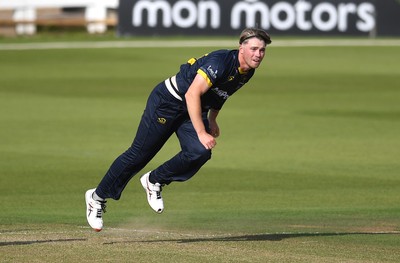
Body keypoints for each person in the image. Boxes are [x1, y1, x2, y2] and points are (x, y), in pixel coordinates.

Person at [85, 27, 272, 232]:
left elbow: (221, 94)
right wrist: (201, 132)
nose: (258, 54)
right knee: (139, 155)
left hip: (193, 109)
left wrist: (213, 119)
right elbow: (192, 94)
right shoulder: (220, 62)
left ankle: (154, 180)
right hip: (168, 102)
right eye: (254, 48)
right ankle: (97, 198)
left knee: (200, 152)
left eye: (262, 50)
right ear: (241, 47)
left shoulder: (248, 71)